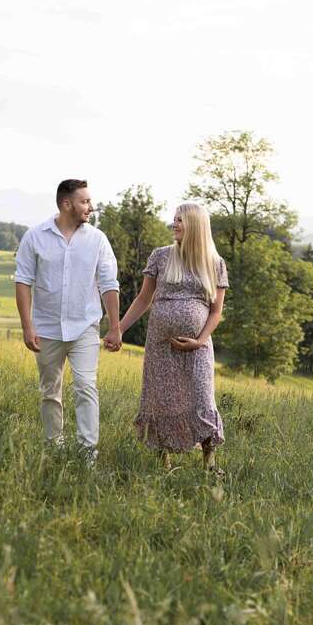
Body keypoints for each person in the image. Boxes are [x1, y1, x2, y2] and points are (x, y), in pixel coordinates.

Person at [14, 179, 121, 462]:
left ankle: (88, 455)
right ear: (66, 204)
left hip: (84, 326)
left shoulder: (97, 240)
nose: (91, 206)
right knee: (50, 391)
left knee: (86, 386)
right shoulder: (34, 237)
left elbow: (109, 284)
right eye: (85, 201)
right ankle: (54, 448)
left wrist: (115, 326)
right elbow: (23, 281)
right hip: (46, 328)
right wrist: (27, 326)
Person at [119, 202, 228, 472]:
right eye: (174, 219)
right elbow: (144, 299)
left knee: (202, 399)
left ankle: (209, 463)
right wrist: (118, 329)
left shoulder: (214, 263)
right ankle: (164, 464)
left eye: (180, 220)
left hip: (197, 347)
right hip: (160, 344)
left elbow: (216, 312)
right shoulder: (161, 256)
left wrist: (200, 341)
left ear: (195, 226)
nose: (174, 225)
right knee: (161, 401)